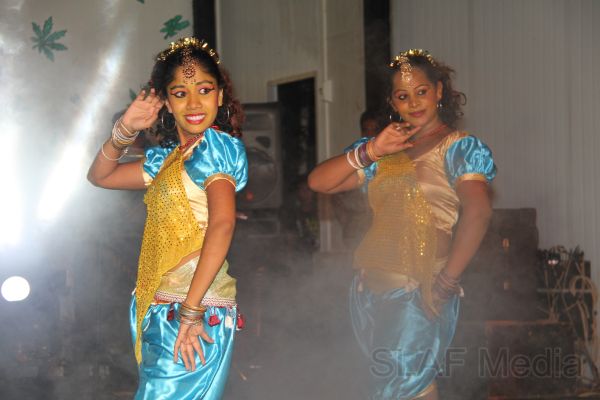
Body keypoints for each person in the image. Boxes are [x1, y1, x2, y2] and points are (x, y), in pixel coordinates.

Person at [308, 49, 496, 399]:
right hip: (369, 294)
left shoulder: (457, 147)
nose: (413, 102)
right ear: (392, 101)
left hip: (418, 291)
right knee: (390, 387)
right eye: (403, 95)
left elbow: (479, 213)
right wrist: (371, 150)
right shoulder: (384, 150)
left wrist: (446, 282)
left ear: (439, 91)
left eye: (421, 91)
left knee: (406, 386)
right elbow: (319, 182)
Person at [87, 37, 248, 399]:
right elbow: (100, 176)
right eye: (180, 93)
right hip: (164, 308)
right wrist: (125, 129)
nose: (193, 103)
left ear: (220, 96)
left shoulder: (216, 149)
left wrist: (190, 312)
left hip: (194, 311)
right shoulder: (169, 160)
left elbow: (223, 224)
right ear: (166, 102)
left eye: (204, 90)